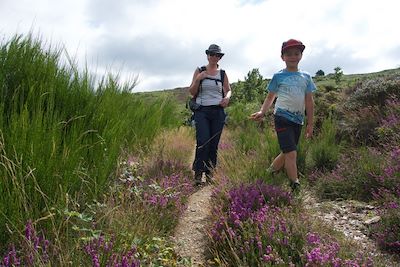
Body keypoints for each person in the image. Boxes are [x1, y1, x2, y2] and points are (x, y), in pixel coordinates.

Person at [250, 39, 316, 193]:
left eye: (296, 53)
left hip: (298, 119)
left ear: (301, 56)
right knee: (292, 153)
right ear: (282, 57)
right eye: (288, 54)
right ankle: (295, 185)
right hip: (282, 117)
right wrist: (262, 111)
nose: (293, 56)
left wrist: (310, 123)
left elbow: (309, 101)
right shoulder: (278, 76)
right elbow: (270, 97)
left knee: (287, 152)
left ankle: (269, 173)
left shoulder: (306, 77)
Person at [188, 44, 232, 186]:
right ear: (207, 55)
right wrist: (198, 79)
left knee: (213, 144)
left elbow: (228, 90)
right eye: (211, 54)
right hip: (202, 111)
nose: (214, 57)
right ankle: (198, 173)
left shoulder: (223, 73)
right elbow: (192, 92)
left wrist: (227, 98)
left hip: (218, 112)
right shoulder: (200, 70)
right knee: (203, 141)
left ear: (220, 57)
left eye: (217, 55)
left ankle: (210, 173)